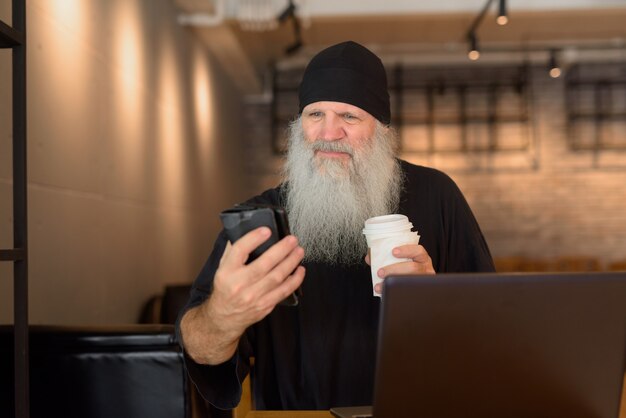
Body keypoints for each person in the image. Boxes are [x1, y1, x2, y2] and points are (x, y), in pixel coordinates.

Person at [176, 41, 495, 411]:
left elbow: (492, 333)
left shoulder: (437, 196)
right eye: (315, 115)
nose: (329, 133)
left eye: (349, 117)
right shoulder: (259, 220)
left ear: (381, 129)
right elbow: (197, 348)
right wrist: (223, 315)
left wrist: (434, 301)